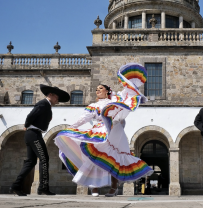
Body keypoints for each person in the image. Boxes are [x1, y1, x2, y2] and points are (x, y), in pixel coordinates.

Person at [55, 63, 154, 197]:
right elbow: (83, 118)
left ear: (107, 91)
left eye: (100, 88)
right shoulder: (94, 105)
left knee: (114, 159)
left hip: (116, 130)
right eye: (96, 89)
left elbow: (128, 92)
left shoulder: (115, 99)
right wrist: (72, 127)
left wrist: (130, 81)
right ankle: (94, 187)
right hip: (101, 130)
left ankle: (114, 188)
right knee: (94, 156)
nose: (97, 91)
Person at [10, 84, 70, 196]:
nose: (57, 100)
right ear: (51, 95)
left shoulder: (47, 106)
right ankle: (43, 187)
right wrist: (26, 125)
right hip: (33, 134)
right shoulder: (43, 104)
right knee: (44, 159)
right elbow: (31, 115)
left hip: (32, 134)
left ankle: (16, 186)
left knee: (31, 162)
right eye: (57, 97)